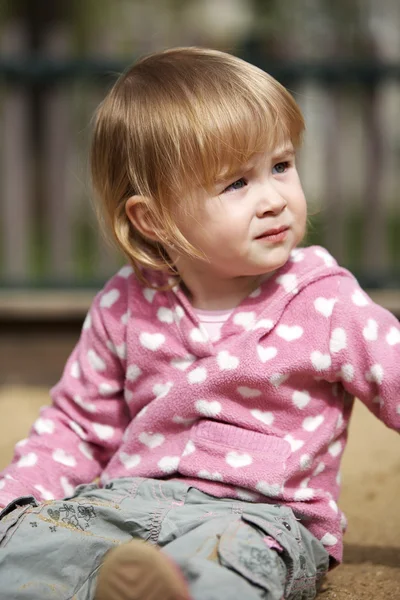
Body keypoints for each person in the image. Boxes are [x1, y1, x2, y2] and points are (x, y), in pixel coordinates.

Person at [0, 47, 399, 600]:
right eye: (236, 183)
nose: (273, 200)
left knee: (227, 564)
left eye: (281, 166)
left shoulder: (325, 302)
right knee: (28, 541)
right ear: (154, 217)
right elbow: (76, 424)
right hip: (124, 504)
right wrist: (16, 500)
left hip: (260, 517)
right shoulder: (125, 303)